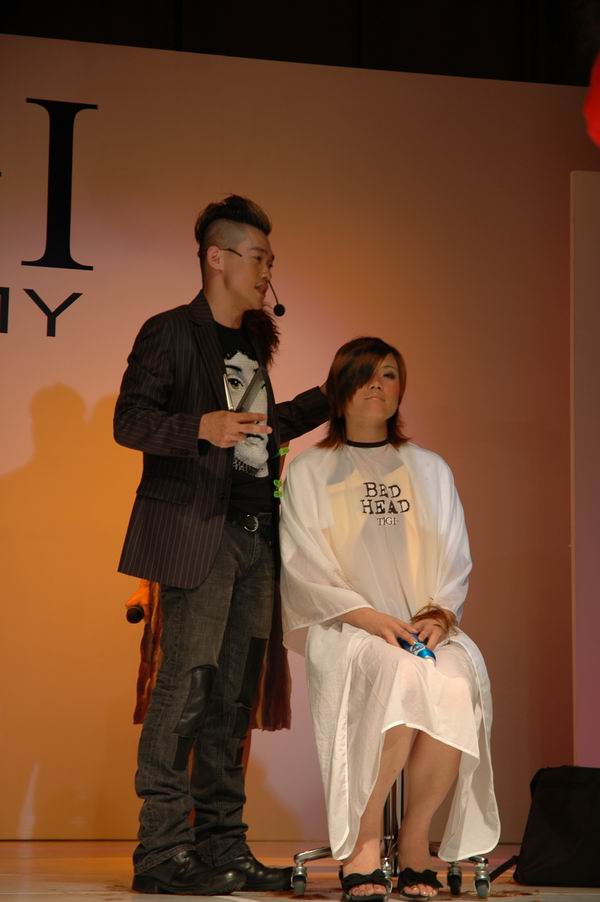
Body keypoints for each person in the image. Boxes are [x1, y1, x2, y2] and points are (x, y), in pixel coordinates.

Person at [114, 195, 329, 895]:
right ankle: (161, 852)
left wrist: (331, 394)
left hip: (256, 540)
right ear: (217, 257)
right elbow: (129, 420)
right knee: (188, 688)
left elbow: (259, 433)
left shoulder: (253, 344)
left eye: (270, 259)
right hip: (199, 534)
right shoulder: (171, 331)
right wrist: (197, 428)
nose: (267, 271)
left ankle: (222, 846)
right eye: (258, 256)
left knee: (234, 699)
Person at [279, 337, 500, 901]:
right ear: (340, 388)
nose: (378, 384)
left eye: (390, 374)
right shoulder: (309, 471)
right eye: (365, 374)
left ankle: (416, 841)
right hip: (348, 626)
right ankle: (364, 840)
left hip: (422, 627)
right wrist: (371, 619)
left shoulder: (429, 469)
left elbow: (454, 554)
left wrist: (439, 615)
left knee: (454, 682)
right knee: (399, 675)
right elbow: (303, 565)